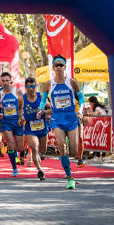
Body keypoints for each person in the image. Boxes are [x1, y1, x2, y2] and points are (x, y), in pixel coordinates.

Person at [37, 55, 85, 190]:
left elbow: (81, 99)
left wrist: (80, 111)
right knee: (62, 147)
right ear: (53, 68)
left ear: (64, 67)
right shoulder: (48, 84)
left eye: (61, 65)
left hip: (71, 118)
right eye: (56, 65)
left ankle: (64, 159)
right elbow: (43, 100)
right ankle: (70, 177)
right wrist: (41, 110)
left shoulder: (72, 82)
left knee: (74, 151)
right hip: (56, 119)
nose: (59, 67)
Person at [0, 72, 25, 177]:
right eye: (3, 81)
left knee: (20, 147)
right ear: (0, 82)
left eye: (7, 81)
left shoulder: (17, 91)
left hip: (17, 121)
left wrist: (21, 117)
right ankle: (14, 168)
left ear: (11, 81)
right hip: (6, 122)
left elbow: (21, 107)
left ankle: (21, 154)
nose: (5, 83)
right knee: (10, 144)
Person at [23, 77, 48, 181]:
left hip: (42, 126)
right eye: (28, 86)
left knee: (42, 151)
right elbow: (19, 110)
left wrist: (44, 113)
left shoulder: (41, 96)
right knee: (34, 148)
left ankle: (42, 156)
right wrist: (20, 117)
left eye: (33, 86)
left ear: (36, 86)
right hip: (30, 127)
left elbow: (50, 108)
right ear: (25, 87)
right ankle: (40, 170)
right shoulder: (22, 98)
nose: (31, 88)